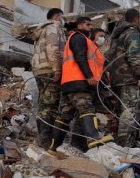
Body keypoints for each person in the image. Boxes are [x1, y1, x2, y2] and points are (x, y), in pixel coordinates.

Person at [48, 17, 112, 156]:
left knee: (65, 115)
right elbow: (80, 57)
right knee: (86, 108)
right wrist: (89, 76)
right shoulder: (79, 37)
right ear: (80, 25)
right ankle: (93, 138)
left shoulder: (80, 39)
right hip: (79, 81)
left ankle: (53, 147)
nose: (90, 27)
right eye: (88, 24)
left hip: (69, 82)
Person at [106, 9, 140, 148]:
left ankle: (125, 141)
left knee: (124, 110)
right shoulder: (132, 34)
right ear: (136, 19)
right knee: (129, 111)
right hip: (129, 79)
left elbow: (109, 56)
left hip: (116, 79)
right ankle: (125, 145)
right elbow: (134, 55)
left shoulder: (117, 35)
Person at [31, 8, 66, 149]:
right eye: (62, 17)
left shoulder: (40, 31)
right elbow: (53, 48)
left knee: (44, 103)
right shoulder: (53, 28)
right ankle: (46, 138)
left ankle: (43, 136)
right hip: (50, 70)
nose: (63, 21)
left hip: (39, 70)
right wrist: (57, 68)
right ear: (57, 16)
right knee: (50, 105)